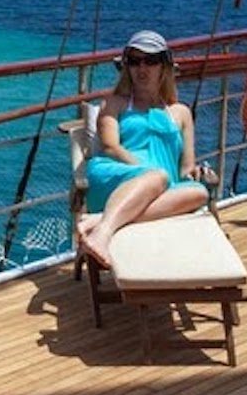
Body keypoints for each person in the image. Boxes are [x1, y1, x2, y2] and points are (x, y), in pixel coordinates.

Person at [76, 31, 210, 268]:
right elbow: (110, 146)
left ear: (164, 67)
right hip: (116, 175)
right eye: (135, 61)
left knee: (199, 193)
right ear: (126, 67)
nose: (142, 68)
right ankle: (103, 234)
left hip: (162, 189)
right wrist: (150, 174)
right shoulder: (115, 103)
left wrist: (195, 172)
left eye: (150, 61)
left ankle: (99, 219)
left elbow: (186, 167)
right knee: (158, 176)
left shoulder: (181, 113)